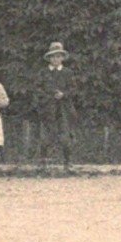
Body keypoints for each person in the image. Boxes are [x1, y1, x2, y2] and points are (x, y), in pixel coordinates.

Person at [36, 42, 76, 171]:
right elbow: (38, 89)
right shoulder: (43, 72)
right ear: (49, 58)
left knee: (65, 137)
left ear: (62, 58)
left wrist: (63, 94)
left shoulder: (67, 72)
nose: (55, 59)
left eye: (58, 56)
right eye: (53, 57)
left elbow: (73, 89)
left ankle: (68, 163)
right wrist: (49, 97)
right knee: (45, 138)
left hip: (63, 109)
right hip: (47, 109)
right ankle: (43, 163)